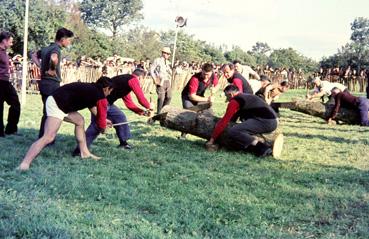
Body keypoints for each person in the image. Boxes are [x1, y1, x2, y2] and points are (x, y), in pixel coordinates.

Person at [18, 77, 113, 171]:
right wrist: (103, 127)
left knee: (79, 121)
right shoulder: (99, 94)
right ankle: (25, 163)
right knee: (48, 137)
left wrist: (105, 120)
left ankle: (84, 153)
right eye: (110, 91)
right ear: (106, 88)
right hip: (56, 104)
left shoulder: (92, 90)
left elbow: (92, 108)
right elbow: (101, 117)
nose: (109, 94)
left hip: (63, 104)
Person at [72, 68, 153, 155]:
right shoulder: (133, 79)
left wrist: (142, 112)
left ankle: (123, 143)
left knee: (120, 117)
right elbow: (141, 98)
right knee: (97, 125)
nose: (141, 82)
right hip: (100, 102)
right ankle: (80, 150)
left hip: (108, 103)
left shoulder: (126, 83)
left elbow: (129, 103)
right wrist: (150, 106)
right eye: (143, 79)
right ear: (140, 77)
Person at [206, 85, 278, 157]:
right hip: (272, 121)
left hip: (266, 122)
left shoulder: (235, 101)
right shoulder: (244, 97)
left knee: (234, 131)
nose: (227, 99)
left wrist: (212, 140)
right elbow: (232, 119)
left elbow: (224, 122)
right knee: (238, 128)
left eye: (226, 96)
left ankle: (262, 148)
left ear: (230, 94)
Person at [31, 27, 74, 140]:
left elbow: (33, 55)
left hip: (44, 83)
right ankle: (46, 139)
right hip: (52, 84)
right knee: (51, 112)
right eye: (68, 40)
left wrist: (40, 66)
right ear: (63, 39)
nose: (69, 42)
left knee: (47, 111)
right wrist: (52, 69)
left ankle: (44, 137)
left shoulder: (46, 48)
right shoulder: (56, 49)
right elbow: (54, 58)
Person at [0, 31, 20, 137]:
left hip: (5, 82)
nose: (12, 44)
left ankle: (11, 129)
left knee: (15, 103)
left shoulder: (4, 52)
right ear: (4, 41)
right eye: (10, 42)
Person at [150, 47, 172, 114]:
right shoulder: (157, 60)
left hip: (167, 80)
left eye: (168, 54)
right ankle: (159, 113)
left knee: (169, 97)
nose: (167, 55)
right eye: (165, 53)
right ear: (162, 53)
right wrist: (155, 79)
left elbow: (170, 73)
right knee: (161, 97)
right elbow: (151, 70)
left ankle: (164, 110)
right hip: (160, 80)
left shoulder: (168, 62)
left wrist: (170, 72)